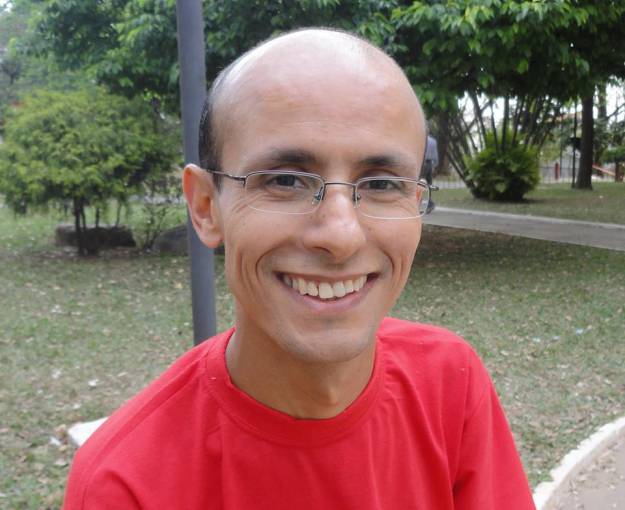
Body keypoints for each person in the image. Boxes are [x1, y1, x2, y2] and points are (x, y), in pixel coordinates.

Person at [63, 28, 535, 509]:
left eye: (381, 185)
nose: (341, 235)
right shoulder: (124, 486)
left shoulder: (450, 384)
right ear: (205, 206)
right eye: (286, 180)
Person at [423, 133, 439, 212]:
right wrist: (434, 166)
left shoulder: (421, 139)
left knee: (418, 183)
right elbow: (435, 155)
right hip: (429, 164)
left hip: (422, 163)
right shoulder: (433, 141)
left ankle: (428, 203)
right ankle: (430, 203)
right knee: (429, 184)